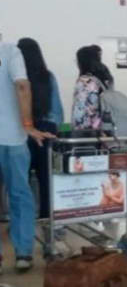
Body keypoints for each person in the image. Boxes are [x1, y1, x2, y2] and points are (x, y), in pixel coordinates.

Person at [0, 40, 55, 273]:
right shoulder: (10, 52)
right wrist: (28, 125)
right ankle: (23, 253)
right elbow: (22, 86)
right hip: (13, 137)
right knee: (20, 194)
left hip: (12, 137)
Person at [17, 38, 64, 219]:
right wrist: (54, 129)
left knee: (22, 179)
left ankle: (24, 218)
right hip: (47, 129)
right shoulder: (48, 76)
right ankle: (47, 217)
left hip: (23, 129)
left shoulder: (18, 79)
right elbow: (57, 109)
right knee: (46, 177)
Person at [72, 46, 107, 132]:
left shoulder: (84, 81)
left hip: (85, 129)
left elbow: (80, 109)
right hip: (100, 127)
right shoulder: (100, 80)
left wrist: (76, 129)